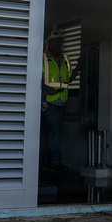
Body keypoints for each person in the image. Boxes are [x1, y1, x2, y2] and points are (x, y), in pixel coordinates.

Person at [41, 29, 79, 171]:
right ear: (49, 44)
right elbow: (38, 79)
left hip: (62, 101)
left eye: (60, 42)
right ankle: (56, 162)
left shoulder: (66, 60)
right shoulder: (44, 59)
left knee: (53, 131)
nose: (58, 45)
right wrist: (44, 94)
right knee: (53, 131)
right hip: (48, 102)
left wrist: (78, 69)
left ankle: (46, 162)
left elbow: (68, 80)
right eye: (55, 42)